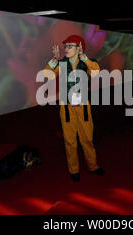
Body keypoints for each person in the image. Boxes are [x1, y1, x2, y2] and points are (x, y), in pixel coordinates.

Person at [45, 34, 105, 182]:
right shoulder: (61, 64)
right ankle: (74, 170)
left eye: (70, 46)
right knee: (70, 141)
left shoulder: (87, 63)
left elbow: (96, 73)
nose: (66, 48)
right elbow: (47, 74)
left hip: (83, 107)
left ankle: (92, 166)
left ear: (79, 48)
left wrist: (85, 58)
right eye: (65, 46)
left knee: (87, 139)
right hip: (66, 108)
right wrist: (54, 60)